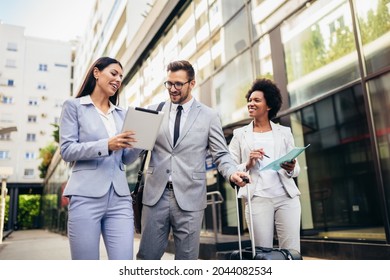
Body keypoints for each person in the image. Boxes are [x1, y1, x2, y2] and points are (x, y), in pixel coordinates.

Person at [136, 60, 250, 260]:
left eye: (178, 84)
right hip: (155, 196)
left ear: (192, 83)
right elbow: (134, 150)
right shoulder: (153, 110)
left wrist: (232, 173)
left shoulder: (209, 116)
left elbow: (221, 154)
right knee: (147, 258)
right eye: (169, 83)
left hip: (190, 197)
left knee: (187, 260)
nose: (172, 89)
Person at [59, 57, 141, 260]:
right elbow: (67, 150)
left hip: (120, 199)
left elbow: (125, 159)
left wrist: (142, 143)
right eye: (114, 73)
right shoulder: (74, 106)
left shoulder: (122, 114)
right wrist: (106, 145)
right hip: (85, 196)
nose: (118, 80)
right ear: (96, 73)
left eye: (121, 77)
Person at [228, 78, 301, 252]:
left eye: (256, 100)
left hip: (286, 198)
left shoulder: (284, 132)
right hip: (257, 199)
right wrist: (248, 163)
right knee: (262, 252)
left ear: (268, 106)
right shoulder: (239, 134)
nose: (251, 103)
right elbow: (229, 167)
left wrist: (290, 168)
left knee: (291, 252)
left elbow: (296, 169)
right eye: (250, 100)